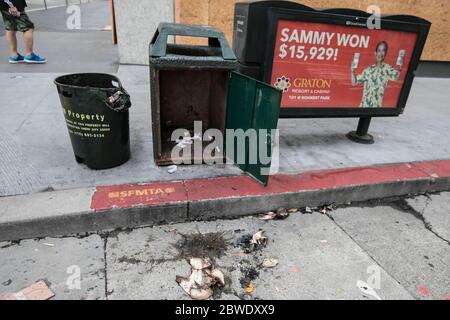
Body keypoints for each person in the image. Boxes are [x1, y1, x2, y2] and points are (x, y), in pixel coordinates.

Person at [351, 41, 401, 108]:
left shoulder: (388, 69)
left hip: (375, 108)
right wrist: (352, 71)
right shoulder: (368, 70)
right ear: (375, 53)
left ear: (385, 53)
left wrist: (399, 68)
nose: (380, 53)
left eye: (383, 51)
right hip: (363, 107)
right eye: (379, 50)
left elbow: (396, 77)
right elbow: (354, 82)